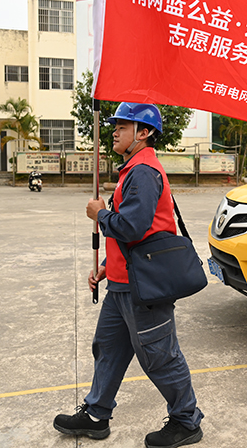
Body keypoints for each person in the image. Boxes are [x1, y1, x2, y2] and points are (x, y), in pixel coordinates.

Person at [53, 102, 204, 447]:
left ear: (144, 132)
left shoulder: (143, 172)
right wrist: (108, 268)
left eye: (123, 126)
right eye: (116, 126)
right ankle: (96, 414)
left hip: (144, 289)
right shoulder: (131, 169)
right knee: (107, 349)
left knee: (160, 356)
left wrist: (100, 214)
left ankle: (186, 420)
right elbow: (134, 235)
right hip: (122, 284)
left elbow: (133, 227)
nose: (115, 131)